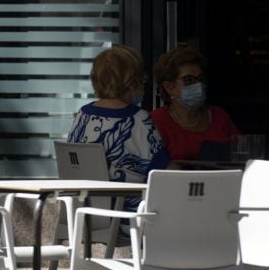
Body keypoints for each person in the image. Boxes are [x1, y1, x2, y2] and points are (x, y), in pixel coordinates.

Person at [67, 44, 169, 212]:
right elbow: (162, 170)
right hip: (128, 215)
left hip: (85, 211)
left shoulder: (83, 114)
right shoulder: (138, 118)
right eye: (142, 79)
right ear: (131, 83)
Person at [150, 45, 240, 161]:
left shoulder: (219, 116)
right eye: (189, 80)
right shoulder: (157, 121)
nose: (198, 85)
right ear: (169, 87)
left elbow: (240, 155)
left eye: (200, 78)